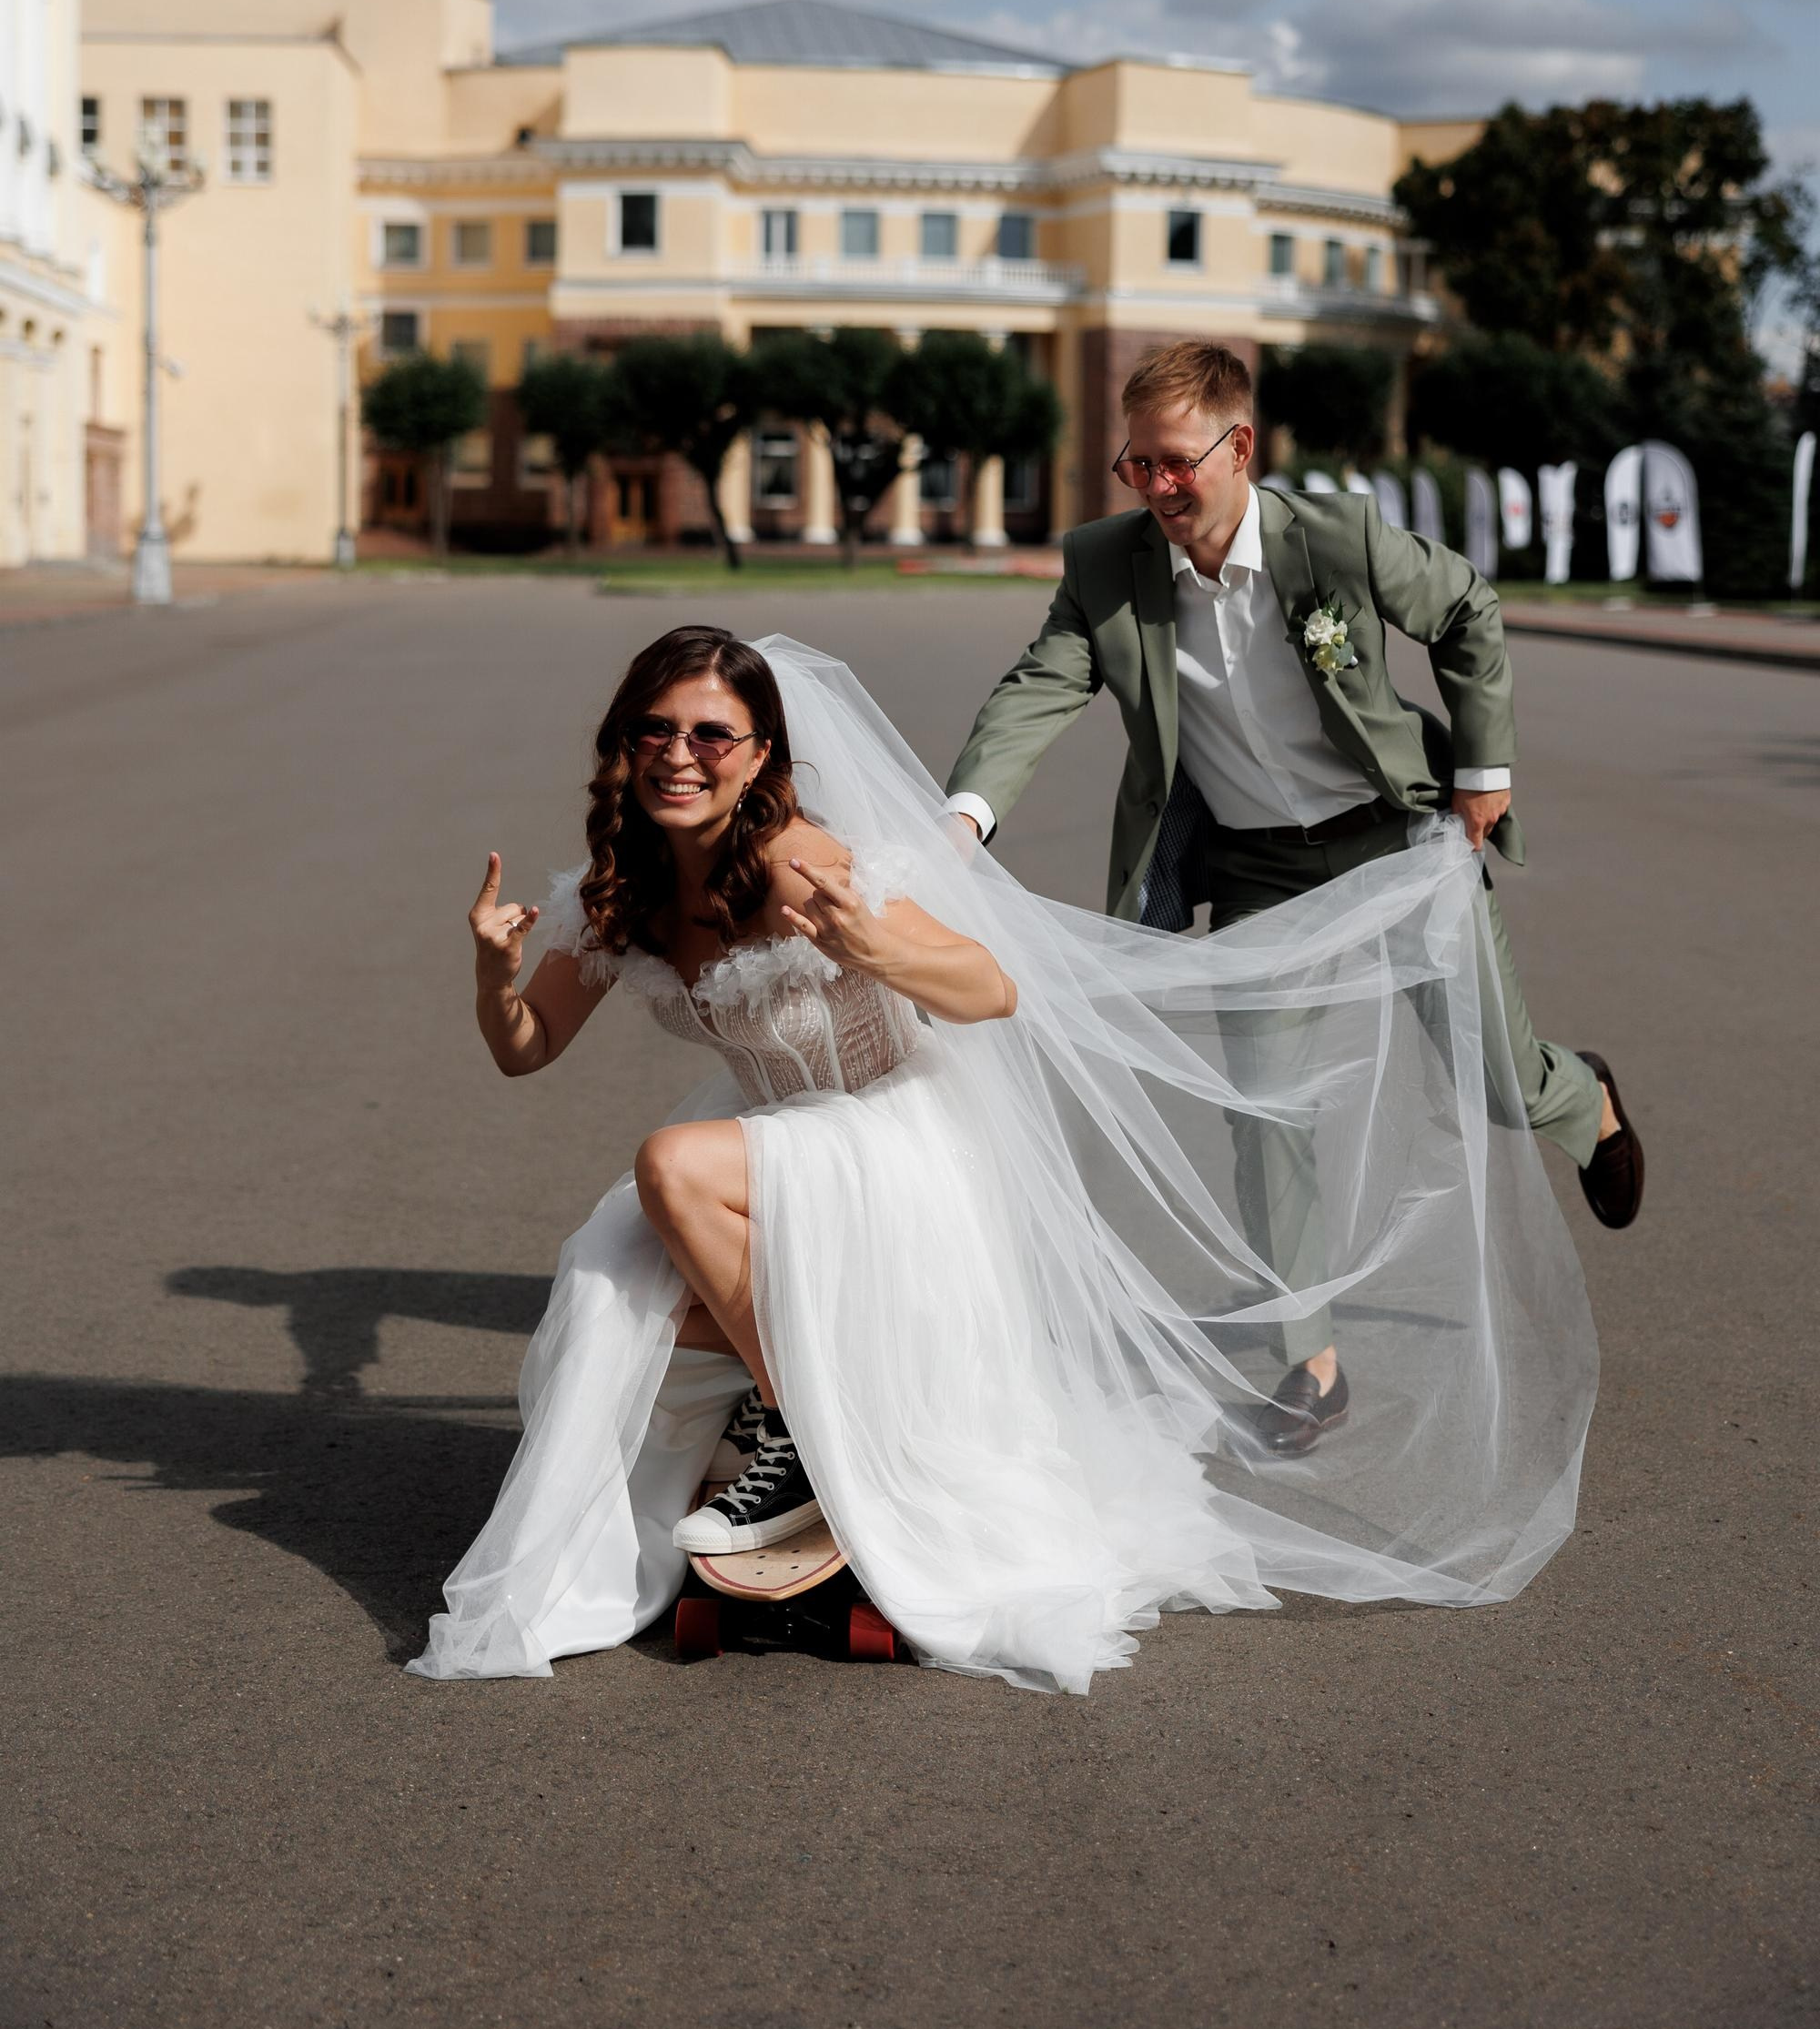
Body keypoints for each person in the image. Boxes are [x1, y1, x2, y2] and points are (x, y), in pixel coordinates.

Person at [410, 621, 1598, 1693]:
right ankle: (758, 1449)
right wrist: (485, 977)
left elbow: (988, 986)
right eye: (654, 732)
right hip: (782, 1159)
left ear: (762, 752)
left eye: (711, 735)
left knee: (668, 1169)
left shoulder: (802, 863)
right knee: (613, 1290)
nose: (680, 755)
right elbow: (527, 1048)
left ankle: (796, 1431)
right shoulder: (619, 890)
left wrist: (879, 947)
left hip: (898, 1152)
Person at [944, 338, 1643, 1459]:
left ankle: (1586, 1102)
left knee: (1497, 1078)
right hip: (1257, 871)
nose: (1157, 488)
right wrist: (962, 821)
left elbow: (1466, 608)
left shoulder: (1334, 537)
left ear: (1239, 448)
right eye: (1136, 467)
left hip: (1390, 844)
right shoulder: (1104, 567)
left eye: (1175, 463)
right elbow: (1037, 689)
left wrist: (1480, 771)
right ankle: (1310, 1363)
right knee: (1262, 1112)